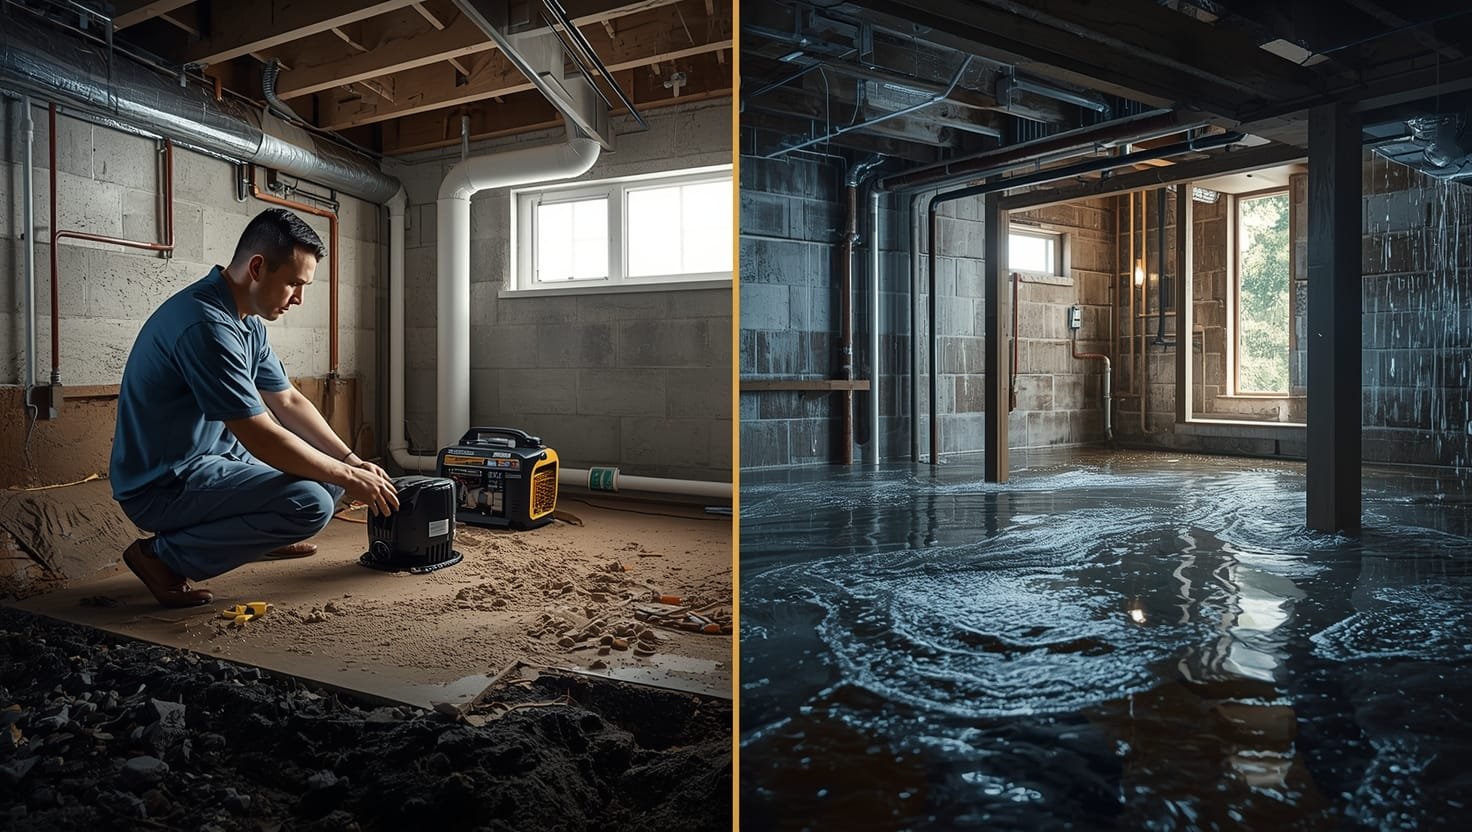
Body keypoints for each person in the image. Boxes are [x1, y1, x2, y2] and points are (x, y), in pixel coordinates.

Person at [110, 207, 400, 608]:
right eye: (293, 284)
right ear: (258, 268)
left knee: (332, 476)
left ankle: (261, 534)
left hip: (213, 460)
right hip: (163, 483)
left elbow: (287, 399)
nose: (298, 299)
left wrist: (350, 462)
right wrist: (349, 475)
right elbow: (260, 435)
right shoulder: (206, 326)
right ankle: (161, 559)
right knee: (311, 502)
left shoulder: (246, 321)